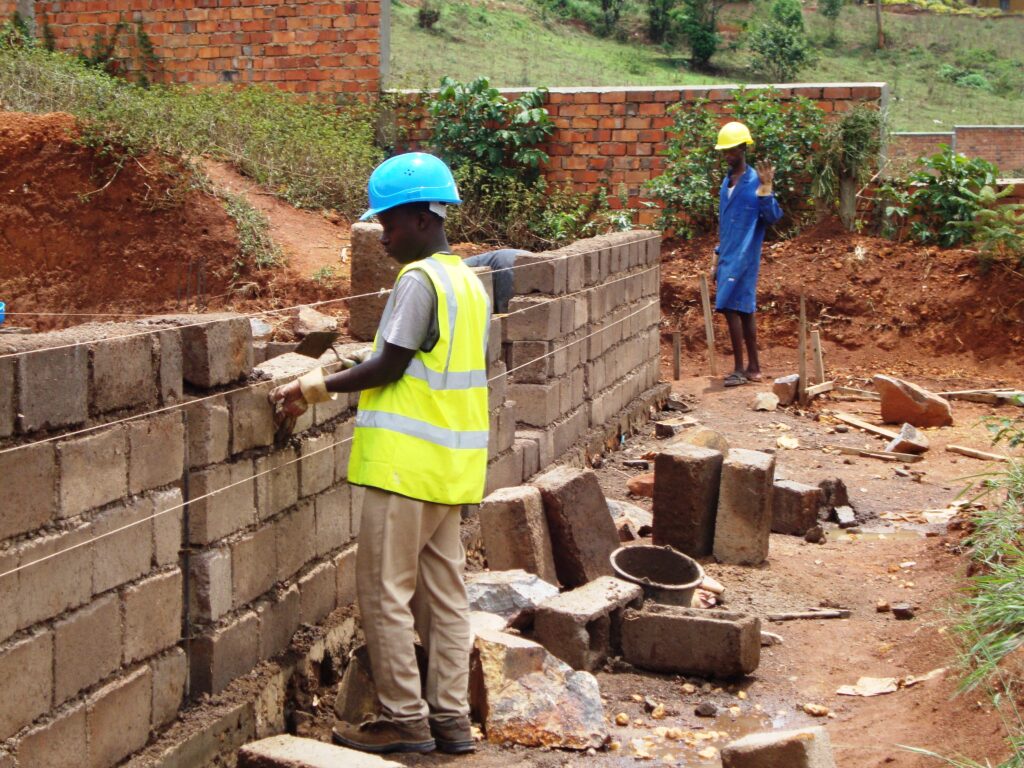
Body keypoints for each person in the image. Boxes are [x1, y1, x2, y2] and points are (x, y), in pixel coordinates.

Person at [269, 152, 491, 756]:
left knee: (384, 592)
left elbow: (389, 364)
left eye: (389, 224)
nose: (383, 237)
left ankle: (403, 720)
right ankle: (449, 720)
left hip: (406, 466)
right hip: (453, 468)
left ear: (422, 218)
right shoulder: (467, 282)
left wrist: (311, 386)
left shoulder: (418, 281)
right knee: (445, 597)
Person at [710, 121, 783, 387]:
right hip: (729, 255)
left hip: (745, 256)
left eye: (731, 151)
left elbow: (773, 217)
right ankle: (753, 367)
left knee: (732, 308)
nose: (727, 156)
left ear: (743, 149)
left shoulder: (755, 182)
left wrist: (767, 189)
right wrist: (716, 256)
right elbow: (724, 223)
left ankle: (741, 369)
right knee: (744, 311)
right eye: (724, 152)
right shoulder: (726, 183)